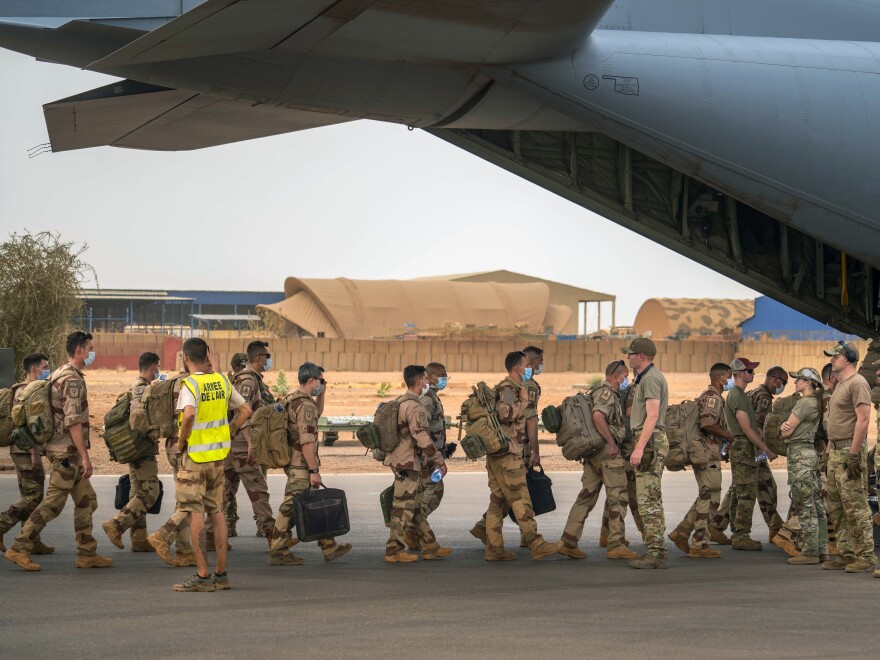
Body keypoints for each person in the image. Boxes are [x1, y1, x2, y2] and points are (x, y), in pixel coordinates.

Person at [5, 331, 112, 571]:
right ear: (79, 350)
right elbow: (73, 421)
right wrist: (85, 457)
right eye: (90, 348)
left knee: (87, 500)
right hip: (67, 453)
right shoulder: (71, 380)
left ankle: (87, 553)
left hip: (63, 450)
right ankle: (19, 547)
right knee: (53, 503)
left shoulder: (58, 374)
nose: (92, 352)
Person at [170, 338, 252, 592]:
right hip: (218, 457)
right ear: (207, 355)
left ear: (185, 358)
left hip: (194, 458)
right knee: (217, 513)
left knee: (196, 513)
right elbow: (246, 410)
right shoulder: (222, 381)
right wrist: (230, 429)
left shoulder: (190, 384)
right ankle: (221, 574)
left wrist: (180, 443)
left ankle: (202, 576)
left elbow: (190, 415)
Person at [268, 362, 351, 565]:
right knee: (289, 507)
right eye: (320, 381)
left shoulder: (294, 399)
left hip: (295, 462)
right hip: (300, 464)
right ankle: (278, 550)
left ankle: (328, 545)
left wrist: (323, 392)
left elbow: (317, 413)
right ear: (312, 380)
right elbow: (306, 441)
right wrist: (314, 470)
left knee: (313, 502)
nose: (322, 384)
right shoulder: (304, 405)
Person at [558, 359, 637, 561]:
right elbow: (598, 417)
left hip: (594, 454)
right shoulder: (607, 393)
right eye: (625, 376)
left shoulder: (597, 392)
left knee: (586, 496)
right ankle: (616, 544)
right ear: (618, 375)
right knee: (618, 496)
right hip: (606, 453)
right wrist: (611, 443)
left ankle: (568, 541)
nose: (626, 380)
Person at [469, 345, 544, 547]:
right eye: (527, 364)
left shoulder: (513, 387)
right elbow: (508, 415)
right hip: (509, 451)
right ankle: (535, 543)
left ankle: (493, 546)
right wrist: (523, 402)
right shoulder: (511, 388)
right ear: (518, 368)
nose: (530, 367)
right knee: (520, 497)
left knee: (498, 499)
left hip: (504, 451)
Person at [384, 365, 451, 563]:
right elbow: (422, 436)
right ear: (419, 381)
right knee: (402, 508)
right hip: (407, 462)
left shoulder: (400, 401)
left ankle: (430, 545)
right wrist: (439, 461)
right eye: (424, 379)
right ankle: (393, 551)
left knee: (413, 506)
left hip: (401, 460)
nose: (427, 382)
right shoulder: (414, 406)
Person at [820, 341, 875, 573]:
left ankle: (866, 556)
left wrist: (853, 455)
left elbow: (863, 420)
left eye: (836, 356)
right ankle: (846, 552)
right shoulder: (841, 385)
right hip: (836, 452)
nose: (832, 360)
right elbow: (836, 422)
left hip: (849, 452)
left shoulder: (858, 383)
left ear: (849, 358)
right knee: (835, 505)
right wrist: (828, 450)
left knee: (855, 505)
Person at [669, 363, 733, 559]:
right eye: (729, 377)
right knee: (710, 497)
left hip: (706, 453)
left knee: (707, 495)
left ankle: (681, 532)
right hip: (707, 454)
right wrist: (728, 436)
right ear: (719, 378)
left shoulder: (710, 396)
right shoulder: (713, 397)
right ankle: (699, 544)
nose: (730, 381)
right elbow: (707, 423)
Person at [101, 352, 163, 552]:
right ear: (153, 367)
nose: (159, 370)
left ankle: (138, 540)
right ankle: (116, 524)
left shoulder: (138, 387)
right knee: (150, 493)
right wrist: (154, 434)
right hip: (142, 448)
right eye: (158, 366)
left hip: (135, 447)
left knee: (137, 493)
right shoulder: (142, 389)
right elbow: (137, 419)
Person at [0, 352, 54, 555]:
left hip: (20, 448)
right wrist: (34, 453)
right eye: (45, 366)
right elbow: (26, 425)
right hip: (26, 449)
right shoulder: (31, 390)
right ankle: (2, 524)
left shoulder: (19, 389)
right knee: (34, 495)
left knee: (28, 494)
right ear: (35, 369)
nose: (47, 369)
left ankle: (32, 539)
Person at [623, 338, 669, 569]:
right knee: (651, 497)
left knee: (647, 499)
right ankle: (657, 548)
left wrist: (640, 447)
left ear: (641, 356)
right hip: (650, 439)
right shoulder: (646, 378)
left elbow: (652, 416)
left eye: (630, 354)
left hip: (649, 440)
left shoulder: (650, 379)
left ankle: (656, 553)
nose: (627, 357)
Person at [222, 341, 275, 541]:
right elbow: (241, 413)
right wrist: (250, 443)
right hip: (242, 446)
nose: (269, 360)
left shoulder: (252, 380)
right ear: (259, 358)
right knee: (258, 491)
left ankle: (210, 537)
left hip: (233, 445)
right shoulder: (248, 381)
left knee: (223, 493)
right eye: (267, 356)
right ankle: (276, 543)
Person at [725, 357, 778, 551]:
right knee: (746, 493)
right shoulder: (738, 396)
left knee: (740, 491)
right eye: (749, 371)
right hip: (743, 446)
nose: (753, 374)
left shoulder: (740, 394)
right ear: (739, 373)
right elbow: (747, 429)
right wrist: (767, 449)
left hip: (742, 446)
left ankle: (738, 532)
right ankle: (741, 535)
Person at [147, 363, 197, 567]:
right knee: (193, 497)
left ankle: (185, 551)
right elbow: (190, 416)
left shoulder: (171, 382)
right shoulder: (192, 383)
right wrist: (183, 442)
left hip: (172, 444)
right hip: (185, 445)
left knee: (186, 497)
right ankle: (163, 536)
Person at [779, 367, 828, 565]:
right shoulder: (815, 403)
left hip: (799, 455)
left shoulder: (803, 404)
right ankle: (822, 548)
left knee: (804, 503)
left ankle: (810, 551)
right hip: (810, 454)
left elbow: (786, 432)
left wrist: (783, 429)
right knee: (816, 504)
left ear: (809, 382)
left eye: (799, 379)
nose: (795, 382)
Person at [599, 380, 643, 548]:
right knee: (629, 491)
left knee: (616, 491)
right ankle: (645, 532)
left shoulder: (625, 389)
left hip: (620, 443)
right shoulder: (636, 389)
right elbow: (632, 412)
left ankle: (606, 533)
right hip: (628, 446)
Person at [747, 366, 787, 541]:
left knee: (742, 487)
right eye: (783, 382)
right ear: (774, 379)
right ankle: (775, 526)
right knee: (765, 486)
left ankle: (717, 525)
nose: (782, 386)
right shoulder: (764, 397)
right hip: (755, 450)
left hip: (750, 449)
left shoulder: (754, 392)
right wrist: (764, 450)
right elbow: (758, 426)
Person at [417, 362, 451, 536]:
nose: (444, 379)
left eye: (446, 376)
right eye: (441, 376)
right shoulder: (428, 399)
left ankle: (414, 530)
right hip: (427, 456)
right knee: (434, 490)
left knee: (428, 491)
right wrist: (432, 455)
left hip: (432, 453)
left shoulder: (432, 396)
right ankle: (414, 525)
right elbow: (420, 429)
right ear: (429, 377)